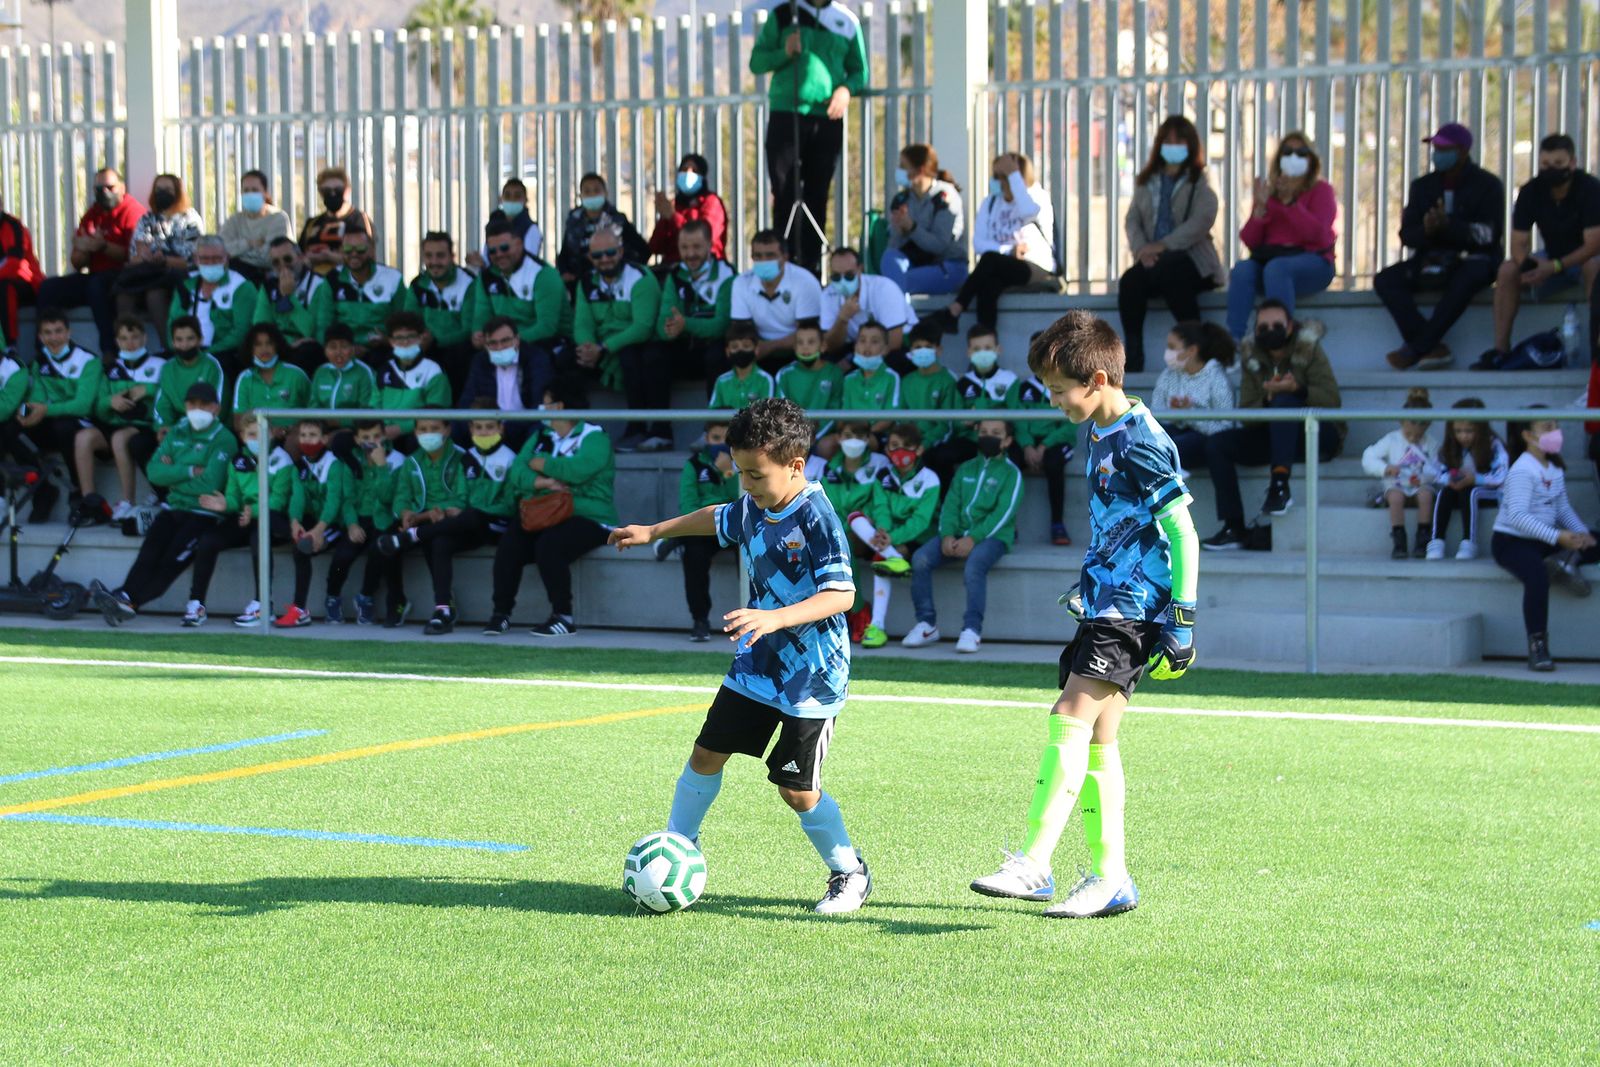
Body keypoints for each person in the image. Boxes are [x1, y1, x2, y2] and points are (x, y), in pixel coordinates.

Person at [969, 311, 1197, 918]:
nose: (1053, 400)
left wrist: (1183, 616)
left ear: (1097, 378)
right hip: (1105, 601)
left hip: (1129, 610)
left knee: (1068, 715)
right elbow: (1126, 525)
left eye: (1057, 388)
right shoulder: (1099, 428)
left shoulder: (1142, 438)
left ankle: (1034, 862)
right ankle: (1111, 877)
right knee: (1099, 737)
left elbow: (1182, 529)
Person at [607, 397, 873, 914]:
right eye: (740, 474)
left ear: (796, 466)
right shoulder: (753, 503)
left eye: (755, 475)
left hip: (811, 675)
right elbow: (718, 516)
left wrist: (774, 616)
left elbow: (842, 595)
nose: (746, 485)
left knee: (796, 790)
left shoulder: (818, 516)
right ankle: (677, 847)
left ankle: (849, 872)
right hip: (757, 664)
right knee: (706, 754)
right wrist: (655, 531)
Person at [88, 382, 238, 625]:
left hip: (204, 513)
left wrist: (174, 475)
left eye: (203, 405)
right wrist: (191, 470)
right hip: (174, 507)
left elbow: (211, 482)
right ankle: (125, 595)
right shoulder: (178, 429)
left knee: (171, 561)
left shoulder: (225, 439)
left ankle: (129, 602)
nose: (196, 409)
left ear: (216, 409)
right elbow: (154, 471)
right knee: (149, 552)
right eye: (192, 404)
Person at [1201, 301, 1344, 549]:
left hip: (1316, 435)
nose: (1270, 330)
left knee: (1286, 400)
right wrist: (1267, 400)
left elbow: (1332, 399)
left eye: (1277, 325)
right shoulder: (1251, 356)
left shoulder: (1310, 350)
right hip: (1271, 433)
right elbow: (1246, 413)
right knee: (1217, 444)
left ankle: (1279, 485)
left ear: (1290, 327)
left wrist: (1297, 390)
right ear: (1256, 330)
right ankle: (1233, 526)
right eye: (1263, 326)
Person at [484, 377, 617, 637]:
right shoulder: (540, 435)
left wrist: (541, 464)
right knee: (510, 542)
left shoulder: (595, 436)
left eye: (546, 404)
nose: (541, 410)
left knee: (550, 544)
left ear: (560, 407)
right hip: (545, 513)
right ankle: (500, 614)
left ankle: (563, 617)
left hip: (590, 516)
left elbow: (578, 471)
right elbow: (517, 473)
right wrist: (543, 482)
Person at [750, 0, 868, 276]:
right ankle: (781, 265)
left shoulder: (847, 21)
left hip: (826, 118)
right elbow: (757, 62)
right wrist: (784, 52)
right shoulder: (783, 14)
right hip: (786, 113)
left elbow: (859, 71)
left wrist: (846, 90)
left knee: (816, 195)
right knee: (784, 193)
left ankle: (811, 268)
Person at [1375, 122, 1505, 371]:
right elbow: (1407, 234)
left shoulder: (1488, 185)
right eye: (1435, 148)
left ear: (1464, 151)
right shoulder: (1422, 186)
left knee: (1467, 277)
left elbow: (1489, 234)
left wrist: (1450, 226)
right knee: (1386, 280)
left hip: (1474, 259)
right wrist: (1426, 230)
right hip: (1432, 258)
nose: (1437, 153)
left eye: (1445, 148)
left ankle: (1416, 347)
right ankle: (1431, 346)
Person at [379, 410, 514, 635]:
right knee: (382, 542)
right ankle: (402, 601)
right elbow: (400, 495)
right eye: (423, 430)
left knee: (439, 537)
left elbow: (462, 499)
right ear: (415, 432)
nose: (428, 434)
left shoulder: (461, 456)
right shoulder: (412, 461)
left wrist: (425, 518)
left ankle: (443, 605)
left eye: (434, 429)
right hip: (432, 520)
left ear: (447, 430)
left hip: (459, 520)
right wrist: (405, 513)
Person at [1475, 134, 1600, 370]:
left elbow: (1593, 244)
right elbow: (1518, 242)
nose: (1551, 170)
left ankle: (1596, 353)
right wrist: (1527, 267)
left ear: (1573, 163)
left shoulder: (1590, 189)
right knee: (1507, 269)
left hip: (1583, 258)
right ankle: (1500, 351)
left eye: (1558, 164)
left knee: (1594, 266)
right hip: (1551, 258)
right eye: (1545, 165)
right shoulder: (1531, 191)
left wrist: (1554, 267)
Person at [903, 416, 1023, 654]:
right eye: (984, 431)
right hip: (956, 535)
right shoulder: (966, 468)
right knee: (920, 558)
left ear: (1007, 441)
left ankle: (971, 630)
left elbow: (1003, 514)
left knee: (974, 565)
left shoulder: (1012, 474)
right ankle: (926, 624)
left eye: (996, 433)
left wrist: (973, 538)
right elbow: (950, 506)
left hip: (993, 537)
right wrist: (947, 535)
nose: (988, 436)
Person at [1491, 408, 1600, 671]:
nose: (1555, 433)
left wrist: (1579, 533)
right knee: (1537, 575)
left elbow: (1562, 508)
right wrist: (1558, 536)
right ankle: (1538, 645)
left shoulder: (1553, 467)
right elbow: (1517, 516)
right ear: (1528, 435)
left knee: (1596, 541)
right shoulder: (1522, 470)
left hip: (1544, 539)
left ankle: (1564, 561)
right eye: (1548, 428)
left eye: (1556, 426)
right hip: (1512, 542)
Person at [1118, 117, 1225, 372]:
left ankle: (1197, 349)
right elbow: (1132, 219)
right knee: (1130, 281)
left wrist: (1163, 245)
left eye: (1180, 140)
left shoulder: (1201, 178)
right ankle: (1132, 355)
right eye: (1168, 140)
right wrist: (1143, 250)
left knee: (1172, 270)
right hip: (1151, 262)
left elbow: (1203, 218)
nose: (1173, 145)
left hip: (1193, 262)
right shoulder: (1146, 180)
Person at [185, 413, 302, 627]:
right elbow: (234, 496)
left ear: (272, 434)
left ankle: (263, 606)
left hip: (274, 520)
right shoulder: (238, 461)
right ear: (242, 436)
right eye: (251, 435)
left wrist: (252, 511)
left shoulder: (282, 460)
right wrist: (226, 504)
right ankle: (196, 604)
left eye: (261, 434)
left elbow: (277, 502)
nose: (257, 439)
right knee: (208, 540)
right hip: (246, 517)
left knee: (260, 536)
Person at [1227, 132, 1338, 340]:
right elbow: (1250, 240)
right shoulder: (1269, 193)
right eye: (1287, 152)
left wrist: (1290, 205)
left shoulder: (1322, 190)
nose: (1293, 157)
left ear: (1311, 160)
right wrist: (1260, 209)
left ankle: (1280, 339)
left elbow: (1318, 235)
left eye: (1301, 152)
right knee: (1242, 270)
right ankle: (1234, 343)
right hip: (1271, 264)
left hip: (1313, 264)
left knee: (1277, 268)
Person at [572, 224, 667, 451]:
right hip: (601, 351)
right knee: (566, 361)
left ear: (621, 252)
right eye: (597, 255)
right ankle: (573, 433)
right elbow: (582, 323)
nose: (604, 259)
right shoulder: (586, 283)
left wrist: (604, 348)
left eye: (610, 253)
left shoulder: (642, 278)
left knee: (634, 356)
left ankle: (640, 428)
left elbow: (642, 327)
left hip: (630, 347)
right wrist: (587, 348)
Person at [939, 152, 1056, 334]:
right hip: (999, 265)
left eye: (1000, 176)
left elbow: (1028, 212)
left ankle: (956, 308)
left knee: (990, 260)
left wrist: (1014, 176)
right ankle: (987, 341)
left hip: (1034, 266)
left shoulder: (1036, 196)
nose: (995, 181)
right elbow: (978, 243)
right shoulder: (991, 202)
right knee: (988, 284)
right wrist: (1009, 250)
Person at [850, 422, 939, 649]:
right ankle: (893, 557)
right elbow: (880, 508)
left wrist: (894, 538)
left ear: (919, 450)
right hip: (887, 538)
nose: (900, 452)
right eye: (894, 446)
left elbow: (921, 521)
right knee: (855, 518)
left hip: (918, 538)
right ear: (887, 449)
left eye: (906, 446)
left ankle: (877, 626)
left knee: (881, 561)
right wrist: (884, 531)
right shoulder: (883, 475)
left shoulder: (930, 478)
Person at [37, 167, 145, 354]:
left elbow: (133, 255)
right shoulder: (93, 213)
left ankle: (110, 351)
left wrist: (103, 246)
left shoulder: (133, 212)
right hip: (96, 275)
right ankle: (44, 350)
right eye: (99, 189)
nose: (104, 193)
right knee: (49, 288)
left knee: (96, 286)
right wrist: (83, 249)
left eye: (110, 187)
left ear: (122, 187)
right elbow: (78, 263)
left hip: (124, 277)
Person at [15, 307, 105, 520]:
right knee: (11, 428)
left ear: (68, 333)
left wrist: (46, 410)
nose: (53, 338)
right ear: (40, 336)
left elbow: (82, 406)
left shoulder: (88, 361)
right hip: (53, 419)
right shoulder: (40, 362)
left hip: (86, 425)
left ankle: (79, 491)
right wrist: (23, 412)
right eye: (47, 333)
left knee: (64, 425)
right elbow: (36, 398)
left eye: (58, 331)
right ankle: (42, 488)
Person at [663, 418, 742, 641]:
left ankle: (752, 614)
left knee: (750, 552)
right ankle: (700, 620)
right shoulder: (694, 464)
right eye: (716, 438)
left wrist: (727, 473)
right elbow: (688, 506)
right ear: (706, 438)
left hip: (735, 524)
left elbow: (743, 499)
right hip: (706, 527)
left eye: (727, 439)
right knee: (693, 552)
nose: (721, 444)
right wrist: (708, 521)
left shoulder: (745, 463)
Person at [324, 418, 408, 627]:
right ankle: (332, 597)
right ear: (357, 439)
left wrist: (381, 467)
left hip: (384, 519)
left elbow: (389, 498)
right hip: (358, 519)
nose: (371, 442)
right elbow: (347, 499)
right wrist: (352, 524)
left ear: (385, 436)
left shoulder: (397, 460)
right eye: (366, 438)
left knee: (379, 550)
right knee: (343, 555)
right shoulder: (351, 460)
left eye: (376, 437)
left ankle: (365, 597)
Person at [83, 316, 166, 522]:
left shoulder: (160, 365)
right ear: (117, 342)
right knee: (86, 437)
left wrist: (146, 389)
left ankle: (127, 500)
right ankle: (87, 500)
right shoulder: (111, 369)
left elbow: (169, 396)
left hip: (146, 425)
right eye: (124, 338)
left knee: (120, 438)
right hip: (115, 423)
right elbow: (99, 409)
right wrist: (111, 402)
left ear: (145, 338)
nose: (130, 343)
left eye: (135, 337)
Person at [1006, 329, 1078, 546]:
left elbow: (1069, 424)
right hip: (1028, 442)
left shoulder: (1066, 385)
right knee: (1009, 460)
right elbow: (1017, 420)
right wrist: (1028, 446)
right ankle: (1008, 524)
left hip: (1054, 443)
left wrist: (1044, 445)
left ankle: (1058, 523)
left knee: (1054, 463)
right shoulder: (1019, 387)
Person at [115, 174, 204, 342]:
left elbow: (193, 261)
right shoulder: (147, 219)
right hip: (149, 272)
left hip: (177, 274)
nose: (162, 193)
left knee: (154, 295)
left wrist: (164, 259)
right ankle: (126, 347)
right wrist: (145, 257)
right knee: (124, 293)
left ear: (178, 193)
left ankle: (169, 346)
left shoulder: (190, 219)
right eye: (159, 190)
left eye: (168, 190)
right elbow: (134, 258)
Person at [1361, 388, 1441, 560]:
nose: (1413, 438)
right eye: (1409, 433)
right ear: (1401, 422)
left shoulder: (1431, 443)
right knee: (1395, 498)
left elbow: (1437, 468)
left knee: (1426, 496)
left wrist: (1423, 476)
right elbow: (1369, 457)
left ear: (1427, 427)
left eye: (1418, 435)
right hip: (1397, 485)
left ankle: (1423, 536)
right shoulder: (1392, 439)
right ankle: (1399, 538)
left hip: (1420, 485)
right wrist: (1385, 468)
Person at [1150, 320, 1237, 476]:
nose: (1167, 353)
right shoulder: (1168, 375)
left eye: (1172, 348)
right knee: (1149, 442)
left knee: (1173, 447)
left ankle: (1172, 470)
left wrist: (1190, 414)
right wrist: (1174, 413)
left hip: (1205, 438)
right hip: (1176, 432)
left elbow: (1225, 428)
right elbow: (1156, 416)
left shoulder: (1217, 379)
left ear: (1191, 350)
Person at [658, 220, 737, 392]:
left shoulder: (727, 275)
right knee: (654, 355)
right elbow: (663, 322)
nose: (690, 254)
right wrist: (670, 330)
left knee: (717, 355)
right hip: (686, 346)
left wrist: (685, 324)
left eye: (696, 247)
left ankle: (715, 418)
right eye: (684, 248)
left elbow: (720, 325)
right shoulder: (675, 275)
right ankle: (656, 419)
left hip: (713, 348)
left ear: (710, 245)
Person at [1425, 398, 1508, 561]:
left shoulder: (1493, 445)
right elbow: (1432, 470)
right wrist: (1448, 478)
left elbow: (1502, 475)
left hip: (1488, 491)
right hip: (1459, 490)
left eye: (1469, 431)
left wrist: (1476, 479)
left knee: (1470, 492)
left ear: (1481, 429)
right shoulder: (1450, 447)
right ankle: (1436, 540)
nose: (1463, 436)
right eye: (1458, 431)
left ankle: (1468, 542)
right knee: (1445, 492)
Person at [469, 218, 567, 356]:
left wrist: (506, 342)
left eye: (504, 248)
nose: (499, 254)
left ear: (519, 244)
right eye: (492, 251)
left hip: (545, 344)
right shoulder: (486, 277)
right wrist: (478, 334)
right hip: (502, 345)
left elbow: (547, 327)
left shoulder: (543, 275)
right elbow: (481, 317)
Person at [730, 229, 824, 371]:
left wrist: (772, 346)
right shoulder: (741, 282)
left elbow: (809, 332)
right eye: (758, 256)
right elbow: (741, 329)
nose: (763, 261)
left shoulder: (805, 282)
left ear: (785, 257)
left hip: (798, 349)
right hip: (758, 348)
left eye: (770, 256)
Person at [881, 144, 968, 296]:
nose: (899, 171)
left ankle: (899, 318)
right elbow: (893, 246)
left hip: (947, 266)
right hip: (916, 264)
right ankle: (900, 315)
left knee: (896, 284)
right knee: (890, 258)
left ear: (920, 170)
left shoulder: (945, 196)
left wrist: (912, 228)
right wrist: (899, 231)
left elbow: (939, 245)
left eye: (903, 166)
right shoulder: (903, 199)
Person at [459, 315, 553, 449]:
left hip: (525, 425)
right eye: (493, 343)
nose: (500, 347)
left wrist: (507, 428)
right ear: (486, 345)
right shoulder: (480, 362)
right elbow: (467, 400)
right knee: (458, 426)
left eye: (505, 341)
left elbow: (539, 404)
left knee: (537, 430)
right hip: (491, 426)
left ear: (517, 340)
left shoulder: (537, 359)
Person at [168, 235, 260, 365]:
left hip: (224, 354)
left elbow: (241, 332)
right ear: (195, 260)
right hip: (185, 351)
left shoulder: (242, 287)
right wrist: (179, 350)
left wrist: (207, 354)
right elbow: (172, 323)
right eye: (204, 259)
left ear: (227, 258)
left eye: (217, 258)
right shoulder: (186, 284)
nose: (211, 263)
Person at [409, 231, 478, 397]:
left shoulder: (469, 282)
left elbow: (468, 329)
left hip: (457, 353)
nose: (434, 262)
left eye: (440, 256)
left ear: (452, 256)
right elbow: (409, 321)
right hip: (425, 348)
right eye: (429, 256)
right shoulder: (418, 284)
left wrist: (434, 341)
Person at [326, 230, 411, 359]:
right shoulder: (332, 279)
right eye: (348, 249)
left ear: (372, 249)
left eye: (360, 249)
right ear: (341, 250)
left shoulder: (392, 278)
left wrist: (388, 340)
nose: (354, 254)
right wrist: (342, 348)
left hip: (382, 348)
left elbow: (404, 321)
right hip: (343, 351)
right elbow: (324, 322)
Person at [252, 237, 331, 373]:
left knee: (307, 351)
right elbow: (260, 328)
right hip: (278, 345)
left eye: (287, 259)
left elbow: (311, 331)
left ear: (300, 257)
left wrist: (289, 297)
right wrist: (287, 343)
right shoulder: (268, 287)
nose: (283, 266)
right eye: (276, 262)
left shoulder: (319, 285)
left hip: (308, 351)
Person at [820, 245, 913, 360]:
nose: (842, 281)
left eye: (849, 275)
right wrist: (842, 319)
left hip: (899, 345)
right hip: (857, 346)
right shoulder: (828, 295)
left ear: (860, 269)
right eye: (836, 276)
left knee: (895, 359)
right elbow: (829, 346)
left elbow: (894, 342)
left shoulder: (884, 288)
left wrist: (855, 363)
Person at [556, 173, 649, 284]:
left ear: (605, 193)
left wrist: (623, 271)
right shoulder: (574, 221)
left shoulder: (618, 221)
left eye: (596, 191)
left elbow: (643, 251)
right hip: (579, 284)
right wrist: (564, 272)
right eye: (587, 191)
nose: (592, 195)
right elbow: (565, 254)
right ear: (580, 196)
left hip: (614, 281)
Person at [897, 326, 962, 483]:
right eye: (918, 347)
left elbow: (947, 425)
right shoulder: (907, 381)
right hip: (912, 441)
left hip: (937, 442)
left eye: (928, 347)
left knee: (937, 459)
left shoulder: (948, 379)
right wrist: (907, 443)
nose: (922, 351)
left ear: (938, 350)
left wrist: (925, 444)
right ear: (911, 351)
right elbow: (902, 418)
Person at [374, 312, 451, 443]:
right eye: (399, 338)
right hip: (384, 432)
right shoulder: (384, 370)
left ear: (421, 338)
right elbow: (373, 406)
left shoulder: (433, 370)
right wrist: (382, 428)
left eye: (411, 337)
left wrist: (401, 428)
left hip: (417, 434)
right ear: (391, 341)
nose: (405, 342)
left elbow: (437, 413)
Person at [774, 320, 844, 455]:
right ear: (794, 347)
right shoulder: (784, 374)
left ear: (822, 346)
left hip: (821, 436)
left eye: (811, 342)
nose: (805, 347)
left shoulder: (834, 373)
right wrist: (800, 436)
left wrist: (815, 436)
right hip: (793, 436)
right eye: (800, 343)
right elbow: (781, 411)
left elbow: (835, 411)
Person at [153, 316, 226, 443]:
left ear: (200, 340)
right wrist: (163, 427)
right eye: (179, 340)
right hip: (175, 429)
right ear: (173, 342)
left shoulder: (211, 366)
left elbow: (215, 407)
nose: (185, 345)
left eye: (190, 339)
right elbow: (162, 405)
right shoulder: (167, 368)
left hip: (207, 428)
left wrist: (180, 429)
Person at [231, 324, 311, 437]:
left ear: (277, 346)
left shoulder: (296, 375)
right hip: (256, 442)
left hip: (293, 440)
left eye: (269, 343)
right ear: (250, 349)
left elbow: (313, 412)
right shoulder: (244, 378)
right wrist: (269, 432)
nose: (264, 349)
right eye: (258, 344)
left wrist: (288, 430)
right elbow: (238, 422)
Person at [649, 154, 729, 267]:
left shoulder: (711, 202)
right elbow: (656, 247)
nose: (688, 174)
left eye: (694, 170)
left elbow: (705, 236)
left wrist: (673, 217)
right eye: (684, 169)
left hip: (707, 266)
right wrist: (664, 218)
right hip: (675, 269)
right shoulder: (674, 205)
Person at [219, 170, 292, 284]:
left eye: (255, 190)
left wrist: (236, 252)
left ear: (266, 193)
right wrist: (249, 243)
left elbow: (269, 257)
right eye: (246, 190)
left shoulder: (278, 218)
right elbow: (221, 250)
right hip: (237, 274)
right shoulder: (234, 220)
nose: (250, 194)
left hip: (267, 277)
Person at [299, 166, 374, 275]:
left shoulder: (359, 220)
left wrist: (329, 257)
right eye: (327, 191)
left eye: (338, 190)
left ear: (347, 191)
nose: (332, 194)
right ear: (320, 193)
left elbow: (366, 259)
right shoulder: (312, 224)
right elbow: (299, 256)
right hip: (315, 284)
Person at [839, 321, 901, 440]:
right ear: (855, 346)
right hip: (850, 434)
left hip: (877, 435)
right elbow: (844, 414)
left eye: (874, 341)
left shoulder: (892, 377)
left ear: (885, 349)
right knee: (826, 445)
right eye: (862, 341)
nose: (867, 346)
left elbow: (890, 417)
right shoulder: (849, 379)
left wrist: (864, 434)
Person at [466, 177, 544, 268]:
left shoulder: (531, 229)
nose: (512, 200)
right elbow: (487, 257)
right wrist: (480, 263)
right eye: (507, 196)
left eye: (517, 196)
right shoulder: (494, 225)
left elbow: (527, 263)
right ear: (501, 199)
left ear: (525, 200)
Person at [0, 194, 42, 346]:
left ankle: (10, 345)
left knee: (5, 288)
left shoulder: (14, 227)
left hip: (28, 283)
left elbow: (14, 265)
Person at [709, 321, 776, 411]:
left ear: (756, 349)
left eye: (746, 346)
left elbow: (768, 416)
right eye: (734, 347)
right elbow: (712, 415)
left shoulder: (766, 380)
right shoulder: (721, 381)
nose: (740, 350)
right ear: (728, 352)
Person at [310, 324, 377, 414]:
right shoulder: (321, 372)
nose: (338, 352)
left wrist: (340, 421)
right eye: (333, 347)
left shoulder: (364, 372)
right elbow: (313, 406)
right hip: (322, 425)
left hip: (354, 426)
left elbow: (366, 409)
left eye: (344, 346)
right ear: (325, 351)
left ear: (352, 349)